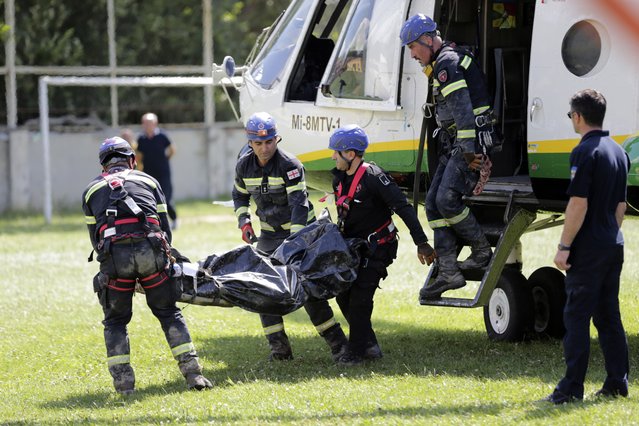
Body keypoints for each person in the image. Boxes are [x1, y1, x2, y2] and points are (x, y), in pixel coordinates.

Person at [82, 137, 212, 395]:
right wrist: (157, 264)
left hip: (115, 260)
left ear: (103, 165)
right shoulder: (149, 181)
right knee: (168, 312)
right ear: (132, 160)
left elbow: (96, 240)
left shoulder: (91, 190)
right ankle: (194, 375)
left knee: (116, 321)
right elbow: (163, 228)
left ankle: (124, 387)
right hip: (150, 253)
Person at [232, 112, 349, 362]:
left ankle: (340, 346)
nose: (265, 148)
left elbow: (299, 205)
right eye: (259, 143)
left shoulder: (290, 165)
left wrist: (294, 245)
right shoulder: (243, 165)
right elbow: (239, 196)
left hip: (301, 236)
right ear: (250, 143)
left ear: (277, 139)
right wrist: (244, 221)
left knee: (308, 291)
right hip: (268, 236)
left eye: (269, 142)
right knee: (264, 292)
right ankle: (280, 350)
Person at [400, 14, 498, 300]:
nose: (412, 54)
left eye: (413, 47)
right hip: (456, 143)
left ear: (428, 40)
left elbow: (466, 118)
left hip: (470, 143)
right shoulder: (442, 61)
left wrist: (472, 161)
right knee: (431, 203)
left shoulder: (446, 65)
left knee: (445, 200)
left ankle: (481, 252)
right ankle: (448, 272)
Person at [542, 89, 629, 404]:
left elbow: (578, 203)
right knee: (608, 316)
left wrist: (565, 245)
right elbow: (621, 205)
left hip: (589, 249)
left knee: (576, 316)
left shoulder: (584, 152)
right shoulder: (619, 152)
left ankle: (570, 388)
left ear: (577, 117)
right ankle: (617, 382)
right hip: (612, 244)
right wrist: (607, 234)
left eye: (570, 115)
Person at [328, 125, 436, 365]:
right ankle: (369, 345)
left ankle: (355, 353)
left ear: (351, 154)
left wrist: (422, 243)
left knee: (360, 298)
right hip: (353, 248)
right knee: (343, 297)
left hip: (379, 247)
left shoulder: (374, 177)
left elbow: (404, 209)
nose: (333, 156)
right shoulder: (340, 178)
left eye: (337, 152)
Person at [137, 112, 178, 229]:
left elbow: (172, 149)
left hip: (163, 172)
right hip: (148, 173)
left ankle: (174, 219)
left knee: (166, 198)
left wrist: (165, 159)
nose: (146, 125)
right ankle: (157, 223)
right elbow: (139, 155)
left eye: (148, 123)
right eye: (144, 123)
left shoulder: (162, 136)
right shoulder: (141, 139)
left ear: (155, 123)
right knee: (151, 199)